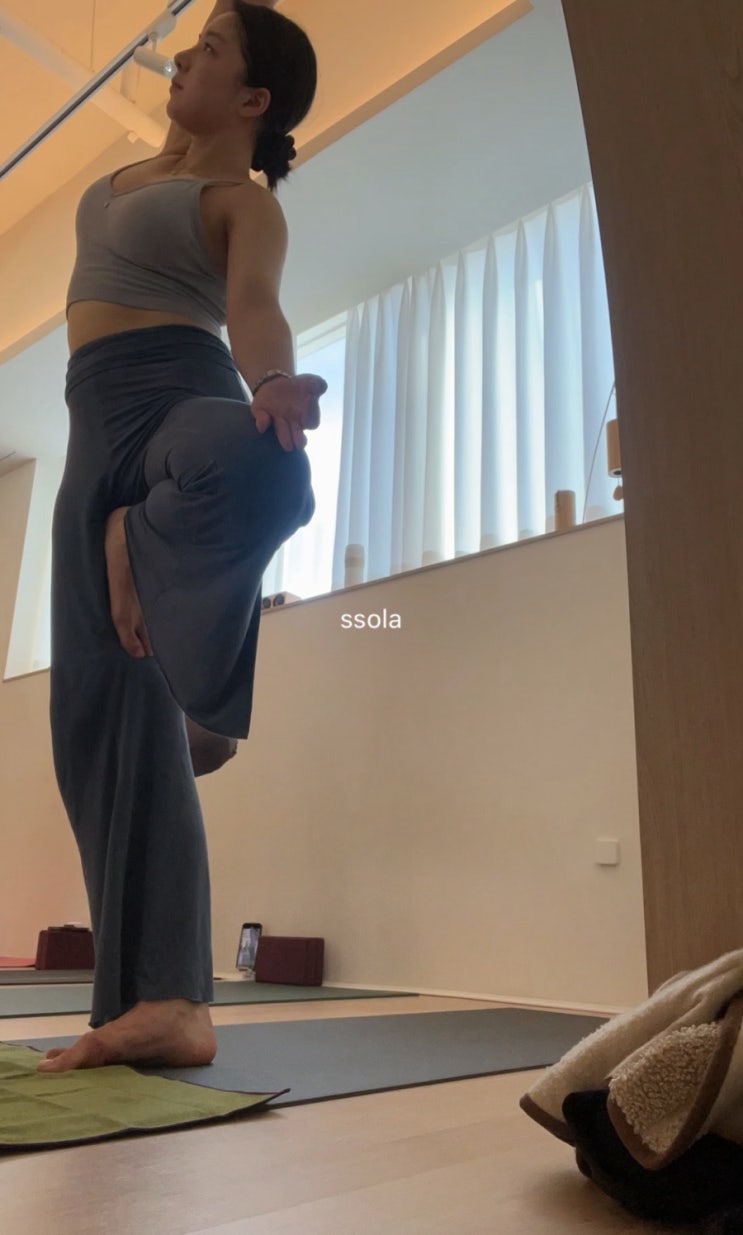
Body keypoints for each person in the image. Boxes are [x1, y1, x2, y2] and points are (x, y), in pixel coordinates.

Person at [37, 0, 325, 1073]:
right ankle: (160, 1003)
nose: (181, 56)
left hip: (177, 399)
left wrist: (271, 381)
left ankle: (191, 657)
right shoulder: (122, 178)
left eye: (207, 48)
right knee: (96, 725)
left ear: (252, 97)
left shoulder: (242, 203)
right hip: (90, 428)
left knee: (268, 468)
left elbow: (251, 305)